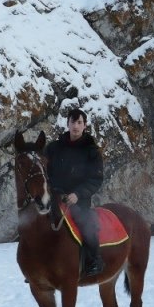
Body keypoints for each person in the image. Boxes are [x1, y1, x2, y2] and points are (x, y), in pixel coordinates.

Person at [45, 108, 105, 277]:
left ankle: (94, 260)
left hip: (79, 201)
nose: (76, 126)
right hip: (55, 198)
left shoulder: (91, 150)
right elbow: (44, 171)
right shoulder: (54, 148)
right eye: (73, 122)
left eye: (80, 122)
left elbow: (96, 179)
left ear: (85, 125)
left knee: (86, 223)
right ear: (68, 124)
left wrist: (77, 194)